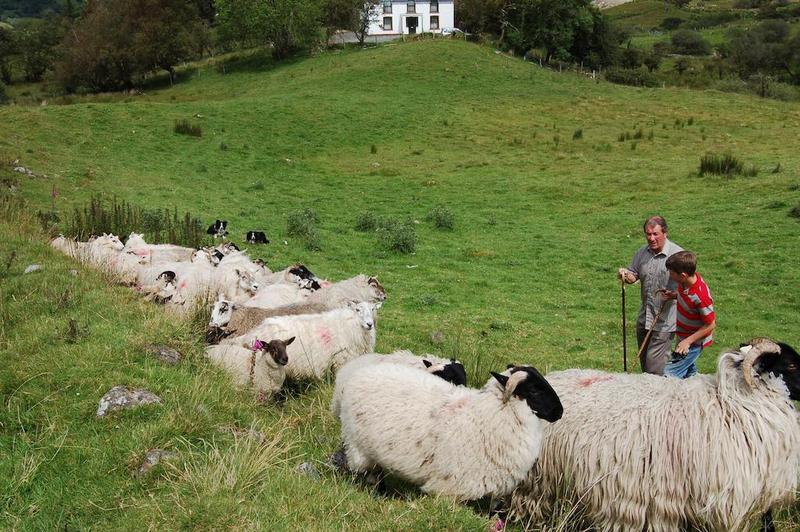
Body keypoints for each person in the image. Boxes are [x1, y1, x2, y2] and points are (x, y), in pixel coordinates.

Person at [617, 216, 683, 375]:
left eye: (655, 234)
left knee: (654, 369)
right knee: (645, 365)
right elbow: (634, 275)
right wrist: (626, 275)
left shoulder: (677, 255)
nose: (651, 238)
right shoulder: (642, 252)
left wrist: (674, 295)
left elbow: (690, 286)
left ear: (665, 233)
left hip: (665, 321)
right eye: (648, 234)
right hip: (644, 317)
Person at [659, 251, 716, 379]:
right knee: (689, 374)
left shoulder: (701, 297)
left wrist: (687, 342)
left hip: (693, 342)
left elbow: (710, 324)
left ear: (683, 275)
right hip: (683, 337)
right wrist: (674, 296)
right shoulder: (684, 282)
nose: (670, 275)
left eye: (672, 273)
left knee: (669, 374)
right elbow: (685, 295)